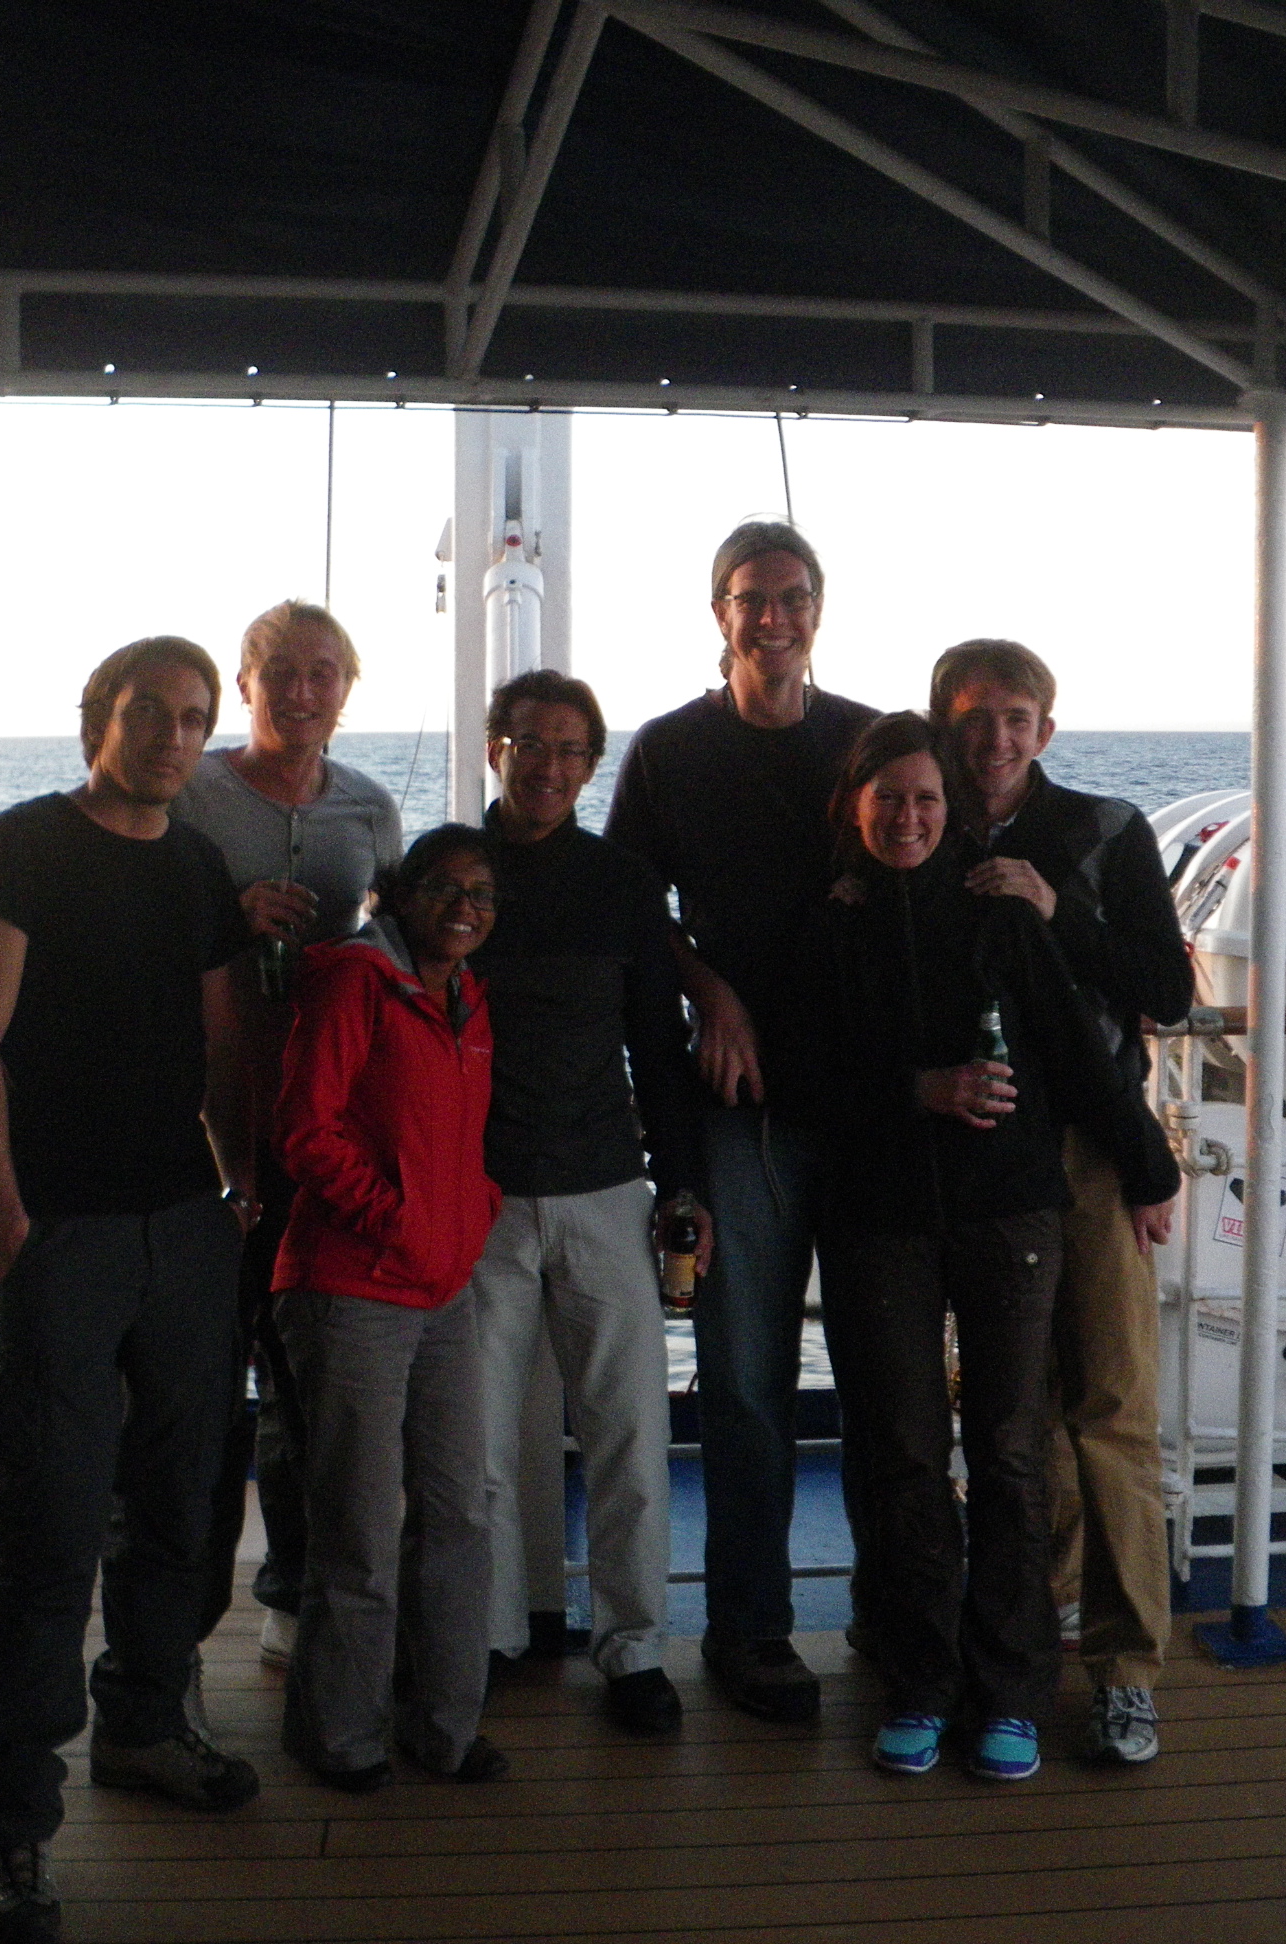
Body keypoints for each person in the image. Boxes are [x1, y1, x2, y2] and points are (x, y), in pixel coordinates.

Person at [0, 636, 262, 1944]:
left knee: (182, 1504)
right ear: (98, 719)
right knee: (48, 1532)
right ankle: (16, 1825)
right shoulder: (14, 851)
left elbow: (227, 1041)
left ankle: (143, 1723)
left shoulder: (195, 866)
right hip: (62, 1238)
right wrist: (8, 1222)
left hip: (184, 1230)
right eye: (151, 713)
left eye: (195, 717)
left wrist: (240, 1187)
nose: (175, 737)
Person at [806, 713, 1179, 1785]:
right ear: (855, 808)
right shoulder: (831, 926)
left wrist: (1147, 1166)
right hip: (881, 1220)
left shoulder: (1000, 916)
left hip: (1011, 1215)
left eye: (927, 799)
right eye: (889, 799)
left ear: (951, 810)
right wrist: (920, 1090)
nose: (908, 817)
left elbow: (1073, 1050)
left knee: (1013, 1452)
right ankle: (923, 1682)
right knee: (907, 1454)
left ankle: (1011, 1690)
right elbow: (804, 1075)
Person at [604, 520, 877, 1722]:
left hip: (865, 1107)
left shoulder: (866, 738)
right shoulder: (670, 751)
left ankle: (895, 1616)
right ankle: (750, 1631)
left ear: (820, 607)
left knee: (884, 1380)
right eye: (751, 598)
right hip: (737, 1111)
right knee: (749, 1384)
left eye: (794, 596)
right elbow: (627, 906)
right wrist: (707, 990)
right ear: (718, 612)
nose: (775, 618)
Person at [931, 638, 1193, 1766]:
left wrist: (1056, 911)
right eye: (974, 717)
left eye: (1016, 718)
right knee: (1013, 1418)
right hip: (976, 1155)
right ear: (943, 723)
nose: (995, 739)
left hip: (1090, 1153)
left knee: (1114, 1408)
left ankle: (1128, 1671)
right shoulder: (918, 823)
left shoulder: (1103, 831)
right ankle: (1024, 1644)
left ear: (1047, 727)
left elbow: (1168, 993)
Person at [468, 670, 709, 1736]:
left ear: (591, 766)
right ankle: (484, 1636)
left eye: (572, 751)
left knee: (629, 1436)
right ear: (496, 748)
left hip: (607, 1191)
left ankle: (635, 1650)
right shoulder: (451, 875)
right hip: (478, 1201)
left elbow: (658, 1043)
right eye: (531, 744)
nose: (550, 767)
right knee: (474, 1443)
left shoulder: (619, 884)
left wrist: (682, 1185)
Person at [172, 600, 404, 1676]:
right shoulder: (195, 794)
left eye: (324, 673)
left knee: (307, 1371)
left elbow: (399, 946)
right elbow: (145, 920)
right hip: (202, 1122)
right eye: (282, 674)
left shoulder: (369, 809)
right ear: (246, 684)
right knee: (211, 1382)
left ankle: (300, 1588)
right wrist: (228, 915)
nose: (303, 693)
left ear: (347, 688)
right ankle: (181, 1626)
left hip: (319, 1131)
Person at [273, 824, 507, 1792]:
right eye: (444, 887)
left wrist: (471, 1214)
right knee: (360, 1530)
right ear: (401, 895)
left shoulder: (467, 998)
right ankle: (339, 1735)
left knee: (459, 1513)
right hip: (351, 1289)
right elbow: (305, 1132)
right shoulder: (354, 983)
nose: (464, 906)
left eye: (482, 893)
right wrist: (398, 1221)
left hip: (443, 1290)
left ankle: (443, 1726)